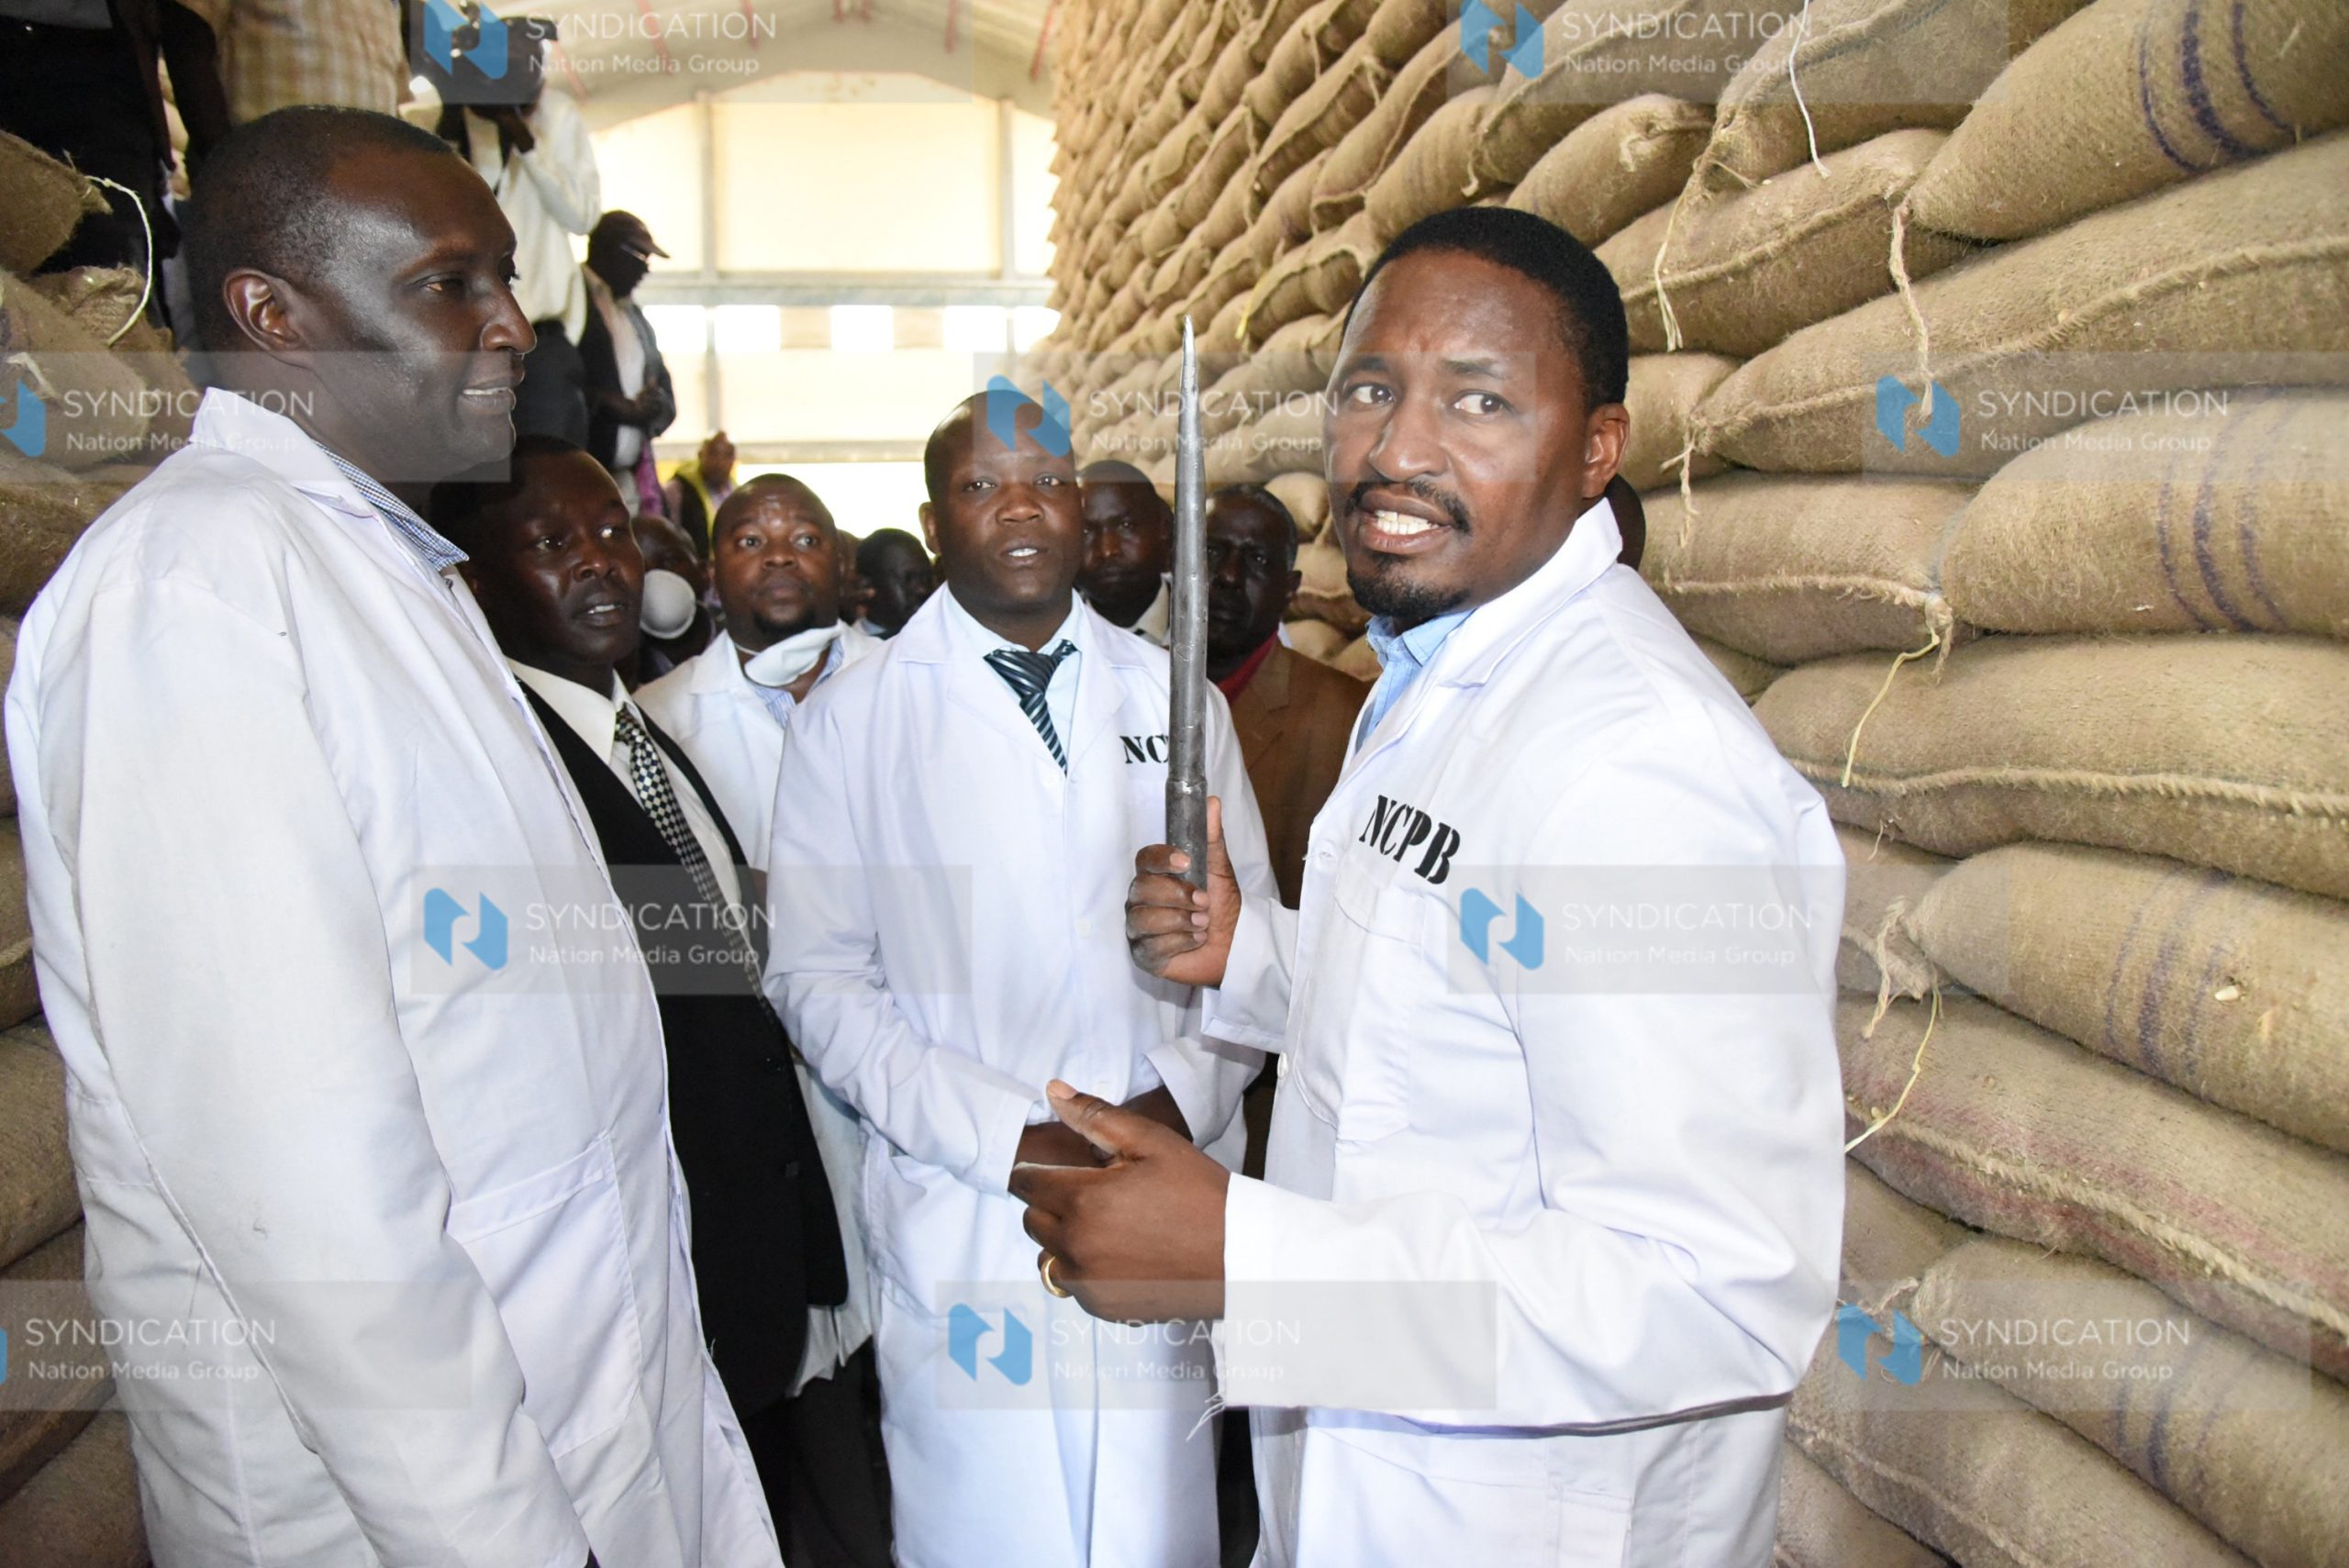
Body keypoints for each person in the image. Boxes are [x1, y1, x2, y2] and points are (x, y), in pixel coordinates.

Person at [4, 107, 777, 1568]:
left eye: (505, 278)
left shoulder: (386, 574)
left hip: (584, 1431)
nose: (511, 329)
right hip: (407, 1509)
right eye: (448, 285)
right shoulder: (198, 593)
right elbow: (309, 1207)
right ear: (272, 315)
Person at [1018, 206, 1845, 1567]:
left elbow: (1719, 1288)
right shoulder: (1437, 673)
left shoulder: (1638, 767)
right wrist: (1255, 954)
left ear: (1596, 452)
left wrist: (1250, 1258)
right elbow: (1446, 998)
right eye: (1369, 390)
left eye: (1479, 400)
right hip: (1359, 1487)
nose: (1398, 450)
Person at [764, 389, 1281, 1568]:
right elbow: (819, 980)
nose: (1021, 508)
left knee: (1159, 1524)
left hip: (1159, 1177)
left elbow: (1250, 952)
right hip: (970, 1203)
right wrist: (1022, 1140)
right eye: (981, 484)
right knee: (992, 1529)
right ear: (932, 516)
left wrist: (1172, 1106)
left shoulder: (1172, 698)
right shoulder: (852, 719)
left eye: (1045, 481)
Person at [431, 438, 870, 1568]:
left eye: (614, 533)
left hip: (751, 1270)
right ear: (475, 581)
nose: (602, 565)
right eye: (550, 543)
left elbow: (720, 988)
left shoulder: (645, 738)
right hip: (659, 1289)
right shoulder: (511, 772)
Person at [637, 472, 893, 1568]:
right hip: (767, 1117)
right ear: (710, 571)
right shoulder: (655, 728)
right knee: (800, 1397)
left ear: (841, 566)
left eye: (803, 536)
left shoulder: (915, 689)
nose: (779, 553)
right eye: (750, 537)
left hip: (910, 1083)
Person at [1205, 484, 1368, 906]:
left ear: (1291, 589)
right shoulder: (1134, 688)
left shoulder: (1342, 718)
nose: (1228, 575)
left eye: (1257, 560)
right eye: (1212, 553)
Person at [435, 35, 599, 446]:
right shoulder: (458, 121)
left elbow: (581, 217)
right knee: (471, 475)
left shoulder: (556, 115)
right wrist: (455, 113)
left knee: (544, 458)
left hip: (541, 339)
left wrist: (521, 135)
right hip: (465, 339)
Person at [579, 209, 674, 504]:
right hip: (581, 474)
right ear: (610, 250)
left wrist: (654, 407)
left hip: (629, 480)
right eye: (640, 257)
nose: (646, 270)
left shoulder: (634, 316)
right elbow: (548, 379)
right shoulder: (571, 298)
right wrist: (608, 404)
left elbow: (663, 384)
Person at [1077, 457, 1173, 642]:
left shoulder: (1209, 623)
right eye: (1085, 531)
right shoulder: (1047, 640)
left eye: (1126, 525)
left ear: (1163, 528)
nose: (1107, 550)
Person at [629, 507, 717, 682]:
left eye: (670, 561)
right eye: (639, 570)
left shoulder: (745, 641)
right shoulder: (627, 671)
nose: (655, 577)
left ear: (704, 572)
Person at [854, 526, 934, 638]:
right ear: (867, 586)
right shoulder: (846, 652)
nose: (922, 590)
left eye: (927, 579)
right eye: (908, 579)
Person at [666, 428, 737, 550]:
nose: (719, 462)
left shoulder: (737, 493)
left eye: (727, 455)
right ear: (700, 455)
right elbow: (670, 535)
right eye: (713, 454)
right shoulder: (678, 489)